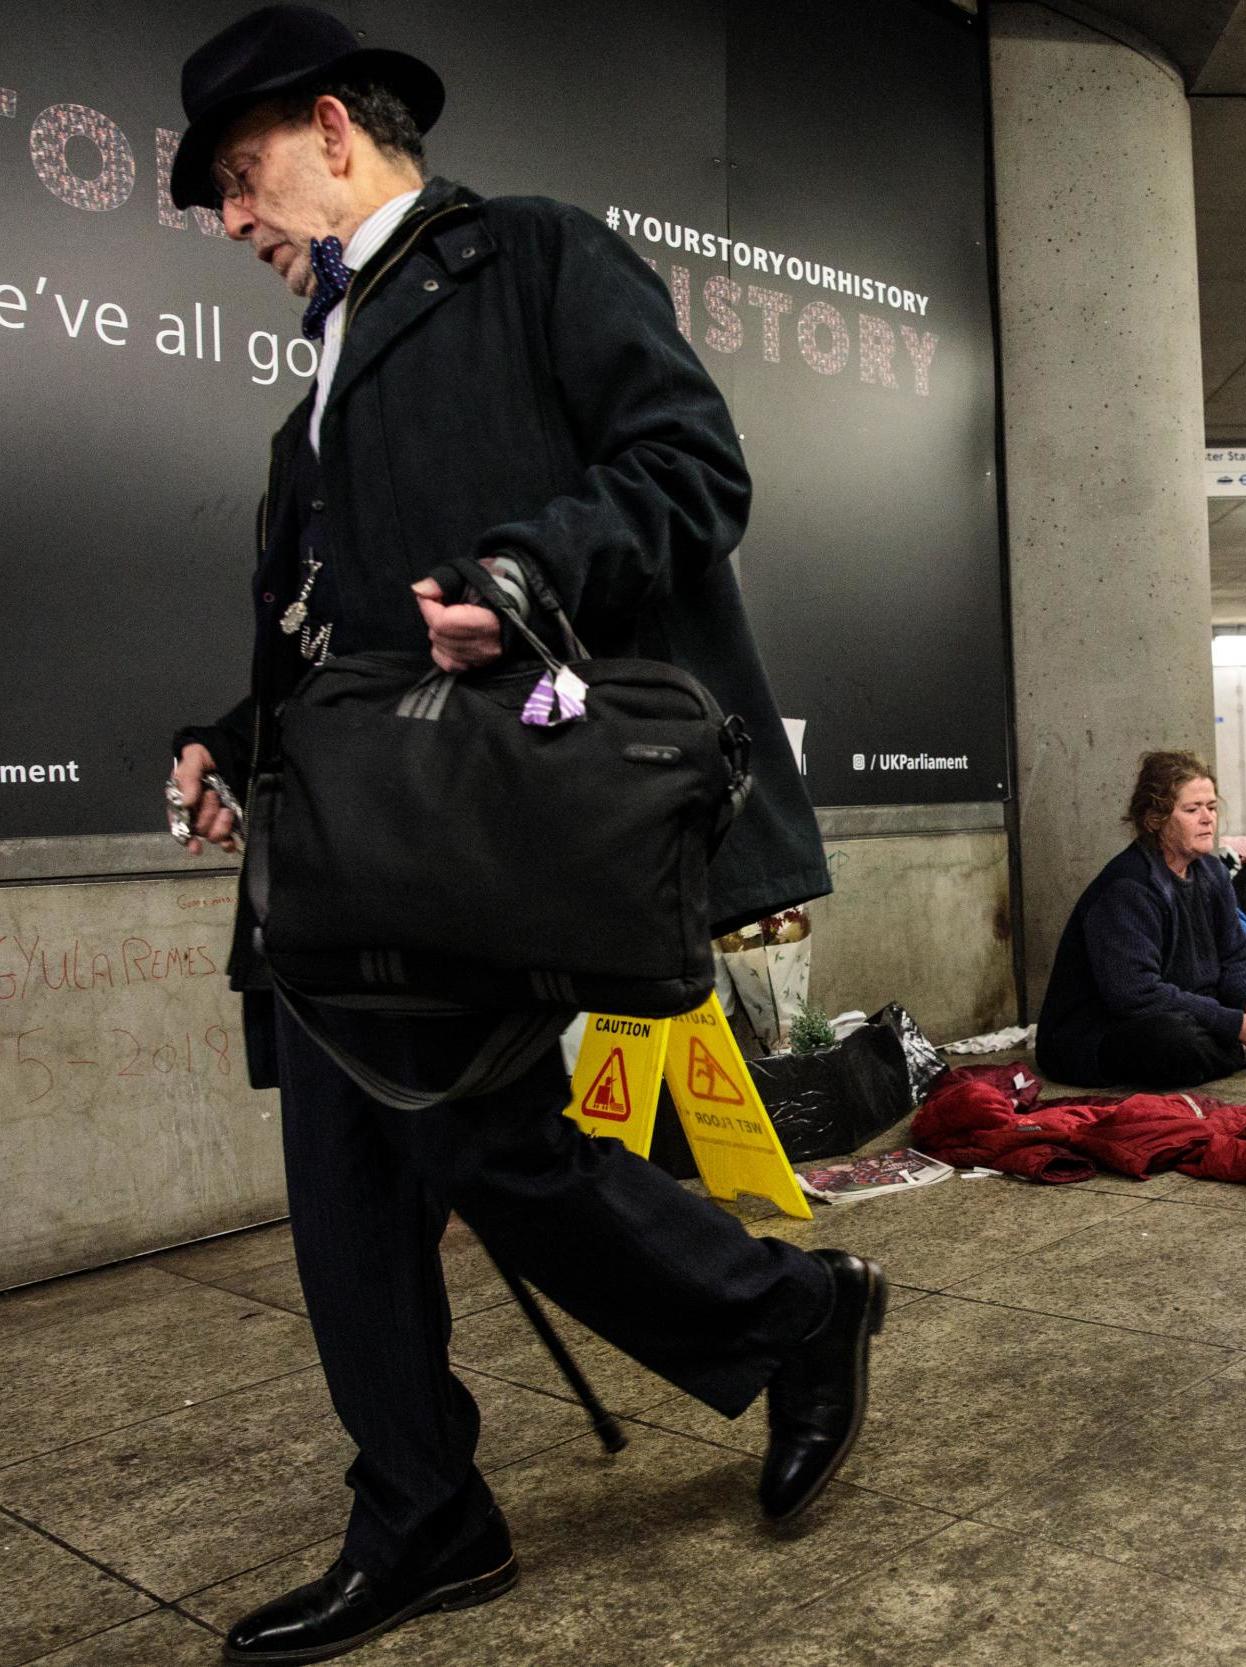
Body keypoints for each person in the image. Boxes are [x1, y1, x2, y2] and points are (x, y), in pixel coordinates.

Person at [162, 9, 884, 1660]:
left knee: (481, 1140)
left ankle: (791, 1310)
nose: (232, 215)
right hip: (340, 838)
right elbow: (315, 649)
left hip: (488, 821)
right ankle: (425, 1508)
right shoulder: (313, 404)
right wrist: (226, 740)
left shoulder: (538, 258)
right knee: (346, 1175)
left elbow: (690, 470)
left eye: (240, 171)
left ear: (335, 129)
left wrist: (531, 566)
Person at [1035, 750, 1246, 1089]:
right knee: (1174, 1042)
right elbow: (1135, 996)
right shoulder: (1128, 887)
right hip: (1104, 1030)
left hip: (1190, 1000)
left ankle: (1243, 1042)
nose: (1207, 818)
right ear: (1155, 819)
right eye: (1192, 810)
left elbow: (1237, 955)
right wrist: (1233, 1022)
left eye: (1211, 807)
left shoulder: (1212, 872)